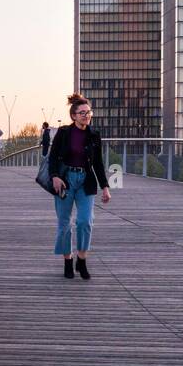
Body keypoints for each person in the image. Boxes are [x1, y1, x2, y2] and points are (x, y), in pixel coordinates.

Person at [48, 93, 111, 280]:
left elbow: (98, 163)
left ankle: (81, 260)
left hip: (86, 180)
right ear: (74, 116)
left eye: (88, 112)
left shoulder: (94, 136)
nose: (86, 115)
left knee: (85, 221)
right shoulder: (63, 132)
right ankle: (68, 261)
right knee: (64, 223)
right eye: (82, 112)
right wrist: (54, 177)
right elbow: (52, 158)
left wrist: (105, 187)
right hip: (65, 180)